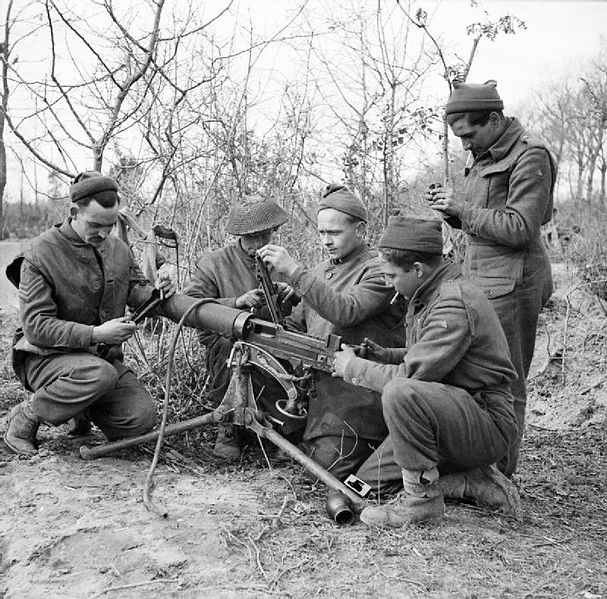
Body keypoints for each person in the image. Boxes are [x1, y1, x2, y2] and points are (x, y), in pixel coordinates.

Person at [332, 216, 521, 527]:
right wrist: (385, 355)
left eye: (392, 276)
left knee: (399, 391)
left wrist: (354, 368)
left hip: (485, 420)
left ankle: (423, 502)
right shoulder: (429, 292)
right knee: (364, 485)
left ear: (417, 269)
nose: (389, 283)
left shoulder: (452, 303)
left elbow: (410, 379)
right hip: (450, 413)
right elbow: (433, 356)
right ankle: (468, 482)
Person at [427, 80, 556, 476]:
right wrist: (451, 211)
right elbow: (483, 218)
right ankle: (477, 460)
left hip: (513, 284)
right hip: (482, 280)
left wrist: (462, 209)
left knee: (506, 379)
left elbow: (519, 226)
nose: (464, 144)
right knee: (474, 374)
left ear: (495, 119)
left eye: (469, 134)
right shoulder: (486, 153)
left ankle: (501, 474)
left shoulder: (530, 157)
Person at [3, 171, 176, 456]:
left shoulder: (118, 249)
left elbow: (138, 296)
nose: (104, 234)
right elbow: (36, 327)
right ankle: (23, 419)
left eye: (110, 226)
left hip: (99, 362)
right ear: (73, 212)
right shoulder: (39, 254)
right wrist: (96, 334)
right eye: (96, 225)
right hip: (45, 359)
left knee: (139, 419)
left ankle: (79, 408)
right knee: (98, 375)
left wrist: (159, 290)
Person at [257, 184, 406, 481]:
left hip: (358, 392)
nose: (326, 241)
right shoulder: (322, 269)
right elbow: (302, 324)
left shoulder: (379, 270)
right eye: (322, 233)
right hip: (320, 389)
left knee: (322, 470)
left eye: (335, 233)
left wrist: (296, 274)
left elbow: (345, 310)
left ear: (360, 229)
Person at [184, 196, 298, 460]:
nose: (260, 244)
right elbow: (192, 309)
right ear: (239, 235)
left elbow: (301, 312)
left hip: (274, 344)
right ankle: (230, 428)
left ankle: (283, 428)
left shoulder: (280, 262)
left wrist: (292, 294)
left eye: (265, 236)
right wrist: (236, 302)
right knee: (231, 348)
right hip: (225, 346)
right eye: (253, 237)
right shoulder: (213, 263)